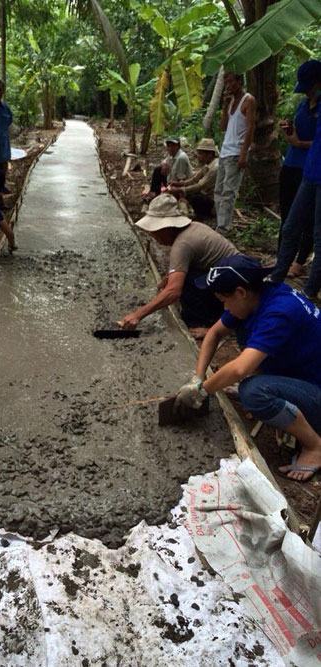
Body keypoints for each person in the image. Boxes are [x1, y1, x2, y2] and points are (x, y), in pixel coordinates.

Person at [175, 255, 321, 483]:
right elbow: (214, 333)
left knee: (253, 392)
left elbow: (240, 369)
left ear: (241, 292)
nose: (224, 306)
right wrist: (198, 376)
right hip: (300, 374)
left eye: (224, 300)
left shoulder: (279, 312)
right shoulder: (259, 296)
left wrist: (202, 391)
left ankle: (315, 446)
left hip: (315, 388)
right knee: (242, 329)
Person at [118, 193, 239, 338]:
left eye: (155, 232)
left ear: (166, 228)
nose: (153, 236)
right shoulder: (194, 227)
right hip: (230, 278)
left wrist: (137, 315)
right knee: (183, 277)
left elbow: (173, 291)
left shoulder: (182, 245)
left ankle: (208, 326)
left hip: (236, 291)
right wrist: (169, 278)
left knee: (186, 283)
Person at [270, 60, 321, 299]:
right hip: (309, 172)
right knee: (290, 226)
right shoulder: (306, 105)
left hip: (315, 171)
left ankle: (309, 291)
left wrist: (300, 143)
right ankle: (277, 276)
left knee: (318, 233)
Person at [214, 72, 256, 234]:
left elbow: (250, 128)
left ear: (239, 81)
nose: (227, 85)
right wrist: (224, 108)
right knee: (218, 190)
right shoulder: (231, 101)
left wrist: (244, 153)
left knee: (228, 191)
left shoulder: (248, 100)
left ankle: (223, 227)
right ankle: (220, 223)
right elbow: (223, 127)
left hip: (236, 152)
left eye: (230, 81)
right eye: (225, 82)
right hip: (225, 151)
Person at [168, 138, 219, 220]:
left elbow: (199, 186)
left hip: (212, 201)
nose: (198, 156)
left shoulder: (215, 168)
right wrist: (179, 184)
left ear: (209, 154)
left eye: (200, 154)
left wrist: (180, 189)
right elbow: (194, 179)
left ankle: (202, 215)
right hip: (205, 194)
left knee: (194, 198)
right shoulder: (208, 164)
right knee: (187, 193)